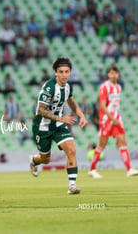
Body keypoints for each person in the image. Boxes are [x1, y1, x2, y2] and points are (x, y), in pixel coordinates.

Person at [29, 57, 87, 195]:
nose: (64, 75)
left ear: (70, 72)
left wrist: (81, 115)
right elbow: (40, 110)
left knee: (71, 150)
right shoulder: (49, 87)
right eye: (61, 72)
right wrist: (61, 118)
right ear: (55, 73)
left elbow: (71, 101)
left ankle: (72, 186)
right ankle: (33, 160)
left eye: (67, 71)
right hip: (42, 126)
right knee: (46, 159)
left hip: (59, 124)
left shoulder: (68, 86)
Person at [88, 65, 138, 178]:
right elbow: (102, 106)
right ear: (108, 75)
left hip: (116, 119)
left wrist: (116, 119)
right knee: (102, 144)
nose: (114, 75)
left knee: (122, 142)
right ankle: (92, 169)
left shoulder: (119, 87)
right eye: (111, 73)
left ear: (118, 75)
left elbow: (115, 105)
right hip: (106, 120)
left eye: (115, 73)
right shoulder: (104, 87)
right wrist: (112, 118)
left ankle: (129, 169)